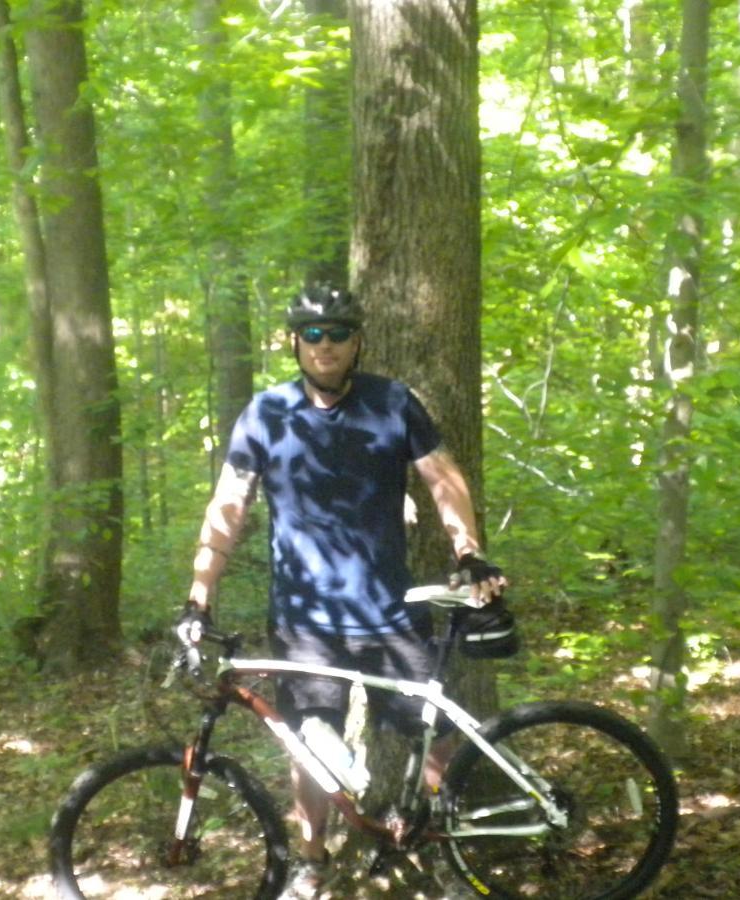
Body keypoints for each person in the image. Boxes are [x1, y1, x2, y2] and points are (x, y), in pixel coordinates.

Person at [181, 282, 506, 898]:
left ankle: (450, 854)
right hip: (305, 623)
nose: (324, 345)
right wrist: (199, 596)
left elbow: (442, 476)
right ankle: (312, 861)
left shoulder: (392, 402)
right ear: (293, 343)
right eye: (312, 334)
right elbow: (227, 506)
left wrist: (469, 550)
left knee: (433, 740)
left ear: (357, 341)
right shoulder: (266, 414)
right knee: (310, 749)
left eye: (337, 334)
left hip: (389, 612)